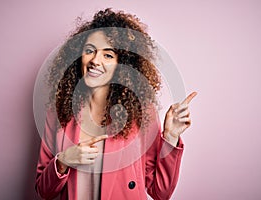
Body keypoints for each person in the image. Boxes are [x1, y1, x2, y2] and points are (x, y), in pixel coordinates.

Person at [35, 8, 197, 200]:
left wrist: (170, 136)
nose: (95, 60)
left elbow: (160, 192)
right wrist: (63, 161)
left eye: (108, 55)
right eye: (89, 51)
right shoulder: (59, 112)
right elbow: (43, 191)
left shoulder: (141, 112)